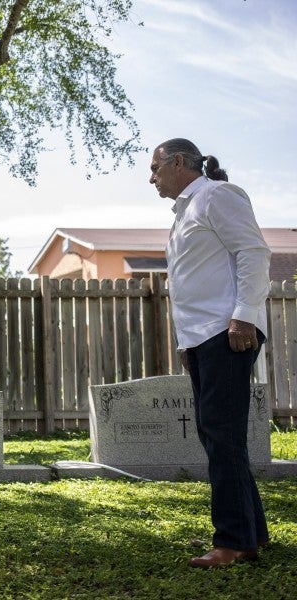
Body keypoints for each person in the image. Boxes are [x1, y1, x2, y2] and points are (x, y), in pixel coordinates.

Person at [149, 138, 271, 569]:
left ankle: (232, 542)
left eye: (156, 169)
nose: (152, 178)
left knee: (222, 434)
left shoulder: (217, 195)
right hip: (202, 337)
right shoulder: (184, 211)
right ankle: (251, 534)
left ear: (178, 162)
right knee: (217, 434)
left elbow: (254, 253)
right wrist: (186, 343)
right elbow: (190, 283)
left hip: (227, 331)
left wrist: (243, 317)